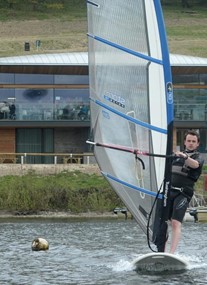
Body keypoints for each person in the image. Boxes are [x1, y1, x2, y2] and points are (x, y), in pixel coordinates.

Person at [168, 130, 204, 254]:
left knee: (175, 222)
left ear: (198, 144)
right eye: (188, 141)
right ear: (184, 142)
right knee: (162, 221)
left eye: (193, 141)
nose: (190, 143)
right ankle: (161, 250)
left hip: (183, 194)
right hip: (169, 192)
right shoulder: (176, 156)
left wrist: (185, 157)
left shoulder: (198, 157)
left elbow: (195, 165)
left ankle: (171, 253)